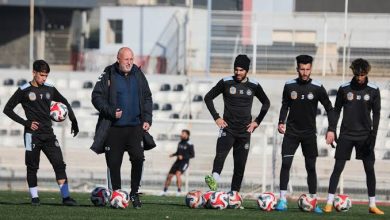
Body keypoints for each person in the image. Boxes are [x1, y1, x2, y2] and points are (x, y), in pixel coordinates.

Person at [3, 60, 79, 206]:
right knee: (32, 166)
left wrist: (74, 121)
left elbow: (65, 103)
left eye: (46, 75)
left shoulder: (50, 89)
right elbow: (7, 109)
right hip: (31, 135)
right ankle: (34, 198)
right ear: (34, 73)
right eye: (42, 75)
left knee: (59, 164)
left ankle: (66, 198)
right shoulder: (24, 90)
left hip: (48, 134)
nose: (44, 78)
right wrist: (26, 123)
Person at [91, 47, 152, 209]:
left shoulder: (138, 74)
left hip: (134, 128)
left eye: (132, 59)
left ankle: (134, 193)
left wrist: (147, 118)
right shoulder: (108, 73)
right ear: (118, 59)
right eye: (126, 59)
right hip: (114, 129)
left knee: (138, 158)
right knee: (114, 163)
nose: (129, 62)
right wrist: (111, 112)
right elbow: (96, 97)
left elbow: (147, 97)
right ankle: (117, 194)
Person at [323, 58, 384, 215]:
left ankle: (372, 205)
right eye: (357, 74)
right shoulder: (344, 89)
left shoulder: (373, 90)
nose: (359, 77)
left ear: (366, 73)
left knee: (369, 169)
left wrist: (374, 135)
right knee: (338, 168)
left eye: (362, 74)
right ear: (353, 72)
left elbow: (377, 114)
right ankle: (329, 202)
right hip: (346, 135)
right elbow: (336, 110)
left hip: (365, 136)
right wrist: (332, 129)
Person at [275, 55, 334, 213]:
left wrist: (331, 129)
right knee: (286, 164)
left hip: (309, 134)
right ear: (297, 69)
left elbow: (329, 108)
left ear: (311, 69)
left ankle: (313, 201)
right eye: (302, 69)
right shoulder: (289, 86)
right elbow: (285, 105)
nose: (305, 72)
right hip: (291, 133)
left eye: (307, 69)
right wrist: (281, 121)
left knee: (311, 167)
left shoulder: (317, 87)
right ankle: (282, 200)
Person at [203, 54, 270, 193]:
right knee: (220, 155)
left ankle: (234, 194)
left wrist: (256, 122)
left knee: (240, 165)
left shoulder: (254, 85)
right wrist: (217, 117)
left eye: (241, 70)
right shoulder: (226, 82)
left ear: (247, 70)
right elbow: (208, 97)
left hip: (245, 131)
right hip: (227, 128)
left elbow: (266, 103)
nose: (238, 73)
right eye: (236, 69)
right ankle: (214, 181)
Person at [160, 129, 194, 196]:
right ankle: (164, 191)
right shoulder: (180, 143)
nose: (181, 134)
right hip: (177, 162)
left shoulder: (190, 144)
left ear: (187, 135)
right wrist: (173, 155)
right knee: (169, 176)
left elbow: (192, 155)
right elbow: (178, 153)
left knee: (178, 174)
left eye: (183, 133)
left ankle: (179, 191)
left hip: (184, 162)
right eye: (182, 133)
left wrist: (183, 157)